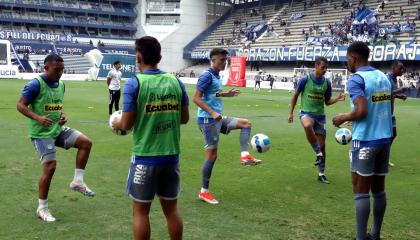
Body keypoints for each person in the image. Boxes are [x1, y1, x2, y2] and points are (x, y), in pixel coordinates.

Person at [112, 36, 189, 240]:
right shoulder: (176, 82)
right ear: (160, 57)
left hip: (145, 157)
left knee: (140, 212)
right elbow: (184, 118)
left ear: (138, 57)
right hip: (171, 156)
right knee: (171, 211)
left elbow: (126, 124)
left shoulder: (134, 83)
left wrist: (116, 124)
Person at [16, 54, 95, 222]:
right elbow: (20, 105)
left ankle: (78, 182)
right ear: (45, 68)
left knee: (86, 143)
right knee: (50, 167)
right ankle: (42, 209)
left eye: (62, 69)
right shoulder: (35, 84)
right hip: (41, 134)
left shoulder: (62, 84)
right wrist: (38, 118)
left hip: (57, 129)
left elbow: (58, 104)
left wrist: (63, 115)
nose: (60, 73)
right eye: (56, 70)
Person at [332, 42, 393, 240]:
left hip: (366, 140)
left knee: (360, 189)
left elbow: (362, 111)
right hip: (384, 139)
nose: (346, 63)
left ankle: (360, 238)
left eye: (347, 59)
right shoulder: (383, 76)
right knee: (379, 189)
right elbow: (386, 107)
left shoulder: (356, 79)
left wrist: (342, 117)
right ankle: (375, 234)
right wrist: (356, 116)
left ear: (354, 58)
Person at [194, 48, 262, 205]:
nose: (225, 62)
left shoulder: (216, 76)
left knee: (246, 123)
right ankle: (204, 192)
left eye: (226, 60)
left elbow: (211, 94)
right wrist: (212, 113)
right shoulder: (206, 75)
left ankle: (245, 155)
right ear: (213, 60)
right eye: (221, 60)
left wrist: (226, 94)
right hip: (208, 120)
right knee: (211, 156)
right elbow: (196, 98)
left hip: (216, 119)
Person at [288, 57, 346, 184]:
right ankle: (318, 153)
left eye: (326, 68)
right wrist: (291, 113)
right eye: (322, 67)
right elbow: (295, 96)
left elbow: (327, 102)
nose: (325, 70)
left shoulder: (327, 83)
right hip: (306, 113)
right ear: (316, 66)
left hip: (320, 117)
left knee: (323, 147)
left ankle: (321, 174)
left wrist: (338, 98)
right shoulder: (305, 79)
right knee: (307, 125)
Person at [386, 60, 407, 167]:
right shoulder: (387, 79)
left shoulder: (393, 79)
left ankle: (384, 157)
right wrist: (399, 91)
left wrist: (399, 96)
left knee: (393, 134)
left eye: (403, 68)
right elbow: (384, 94)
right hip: (384, 113)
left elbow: (391, 94)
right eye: (400, 68)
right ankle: (382, 158)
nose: (402, 70)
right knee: (388, 135)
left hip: (390, 112)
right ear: (394, 68)